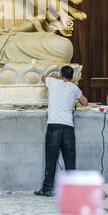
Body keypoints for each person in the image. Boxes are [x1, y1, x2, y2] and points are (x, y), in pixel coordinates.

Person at [34, 65, 88, 197]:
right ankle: (72, 190)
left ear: (60, 75)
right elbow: (85, 102)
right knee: (70, 161)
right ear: (72, 77)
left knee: (51, 160)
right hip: (68, 128)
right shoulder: (74, 88)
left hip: (54, 127)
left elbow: (42, 77)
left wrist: (55, 77)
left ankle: (47, 189)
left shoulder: (53, 82)